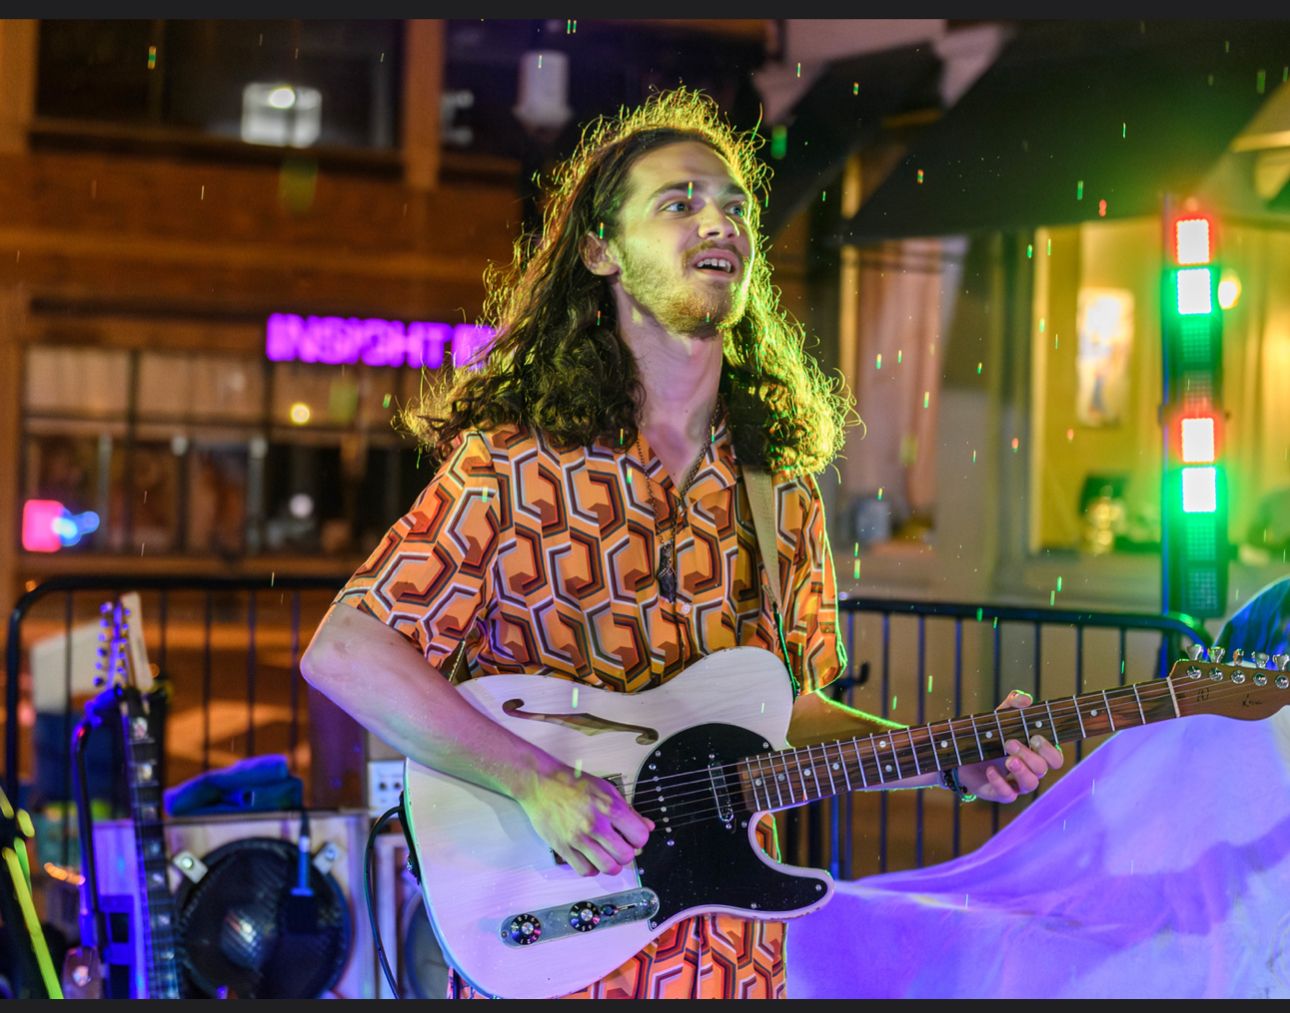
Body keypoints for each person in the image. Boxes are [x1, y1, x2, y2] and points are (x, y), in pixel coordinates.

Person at [300, 86, 1063, 999]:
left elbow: (788, 714)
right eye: (679, 202)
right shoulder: (515, 465)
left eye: (736, 207)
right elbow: (347, 651)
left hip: (732, 959)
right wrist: (537, 782)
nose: (720, 222)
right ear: (601, 250)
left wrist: (947, 756)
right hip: (561, 952)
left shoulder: (778, 490)